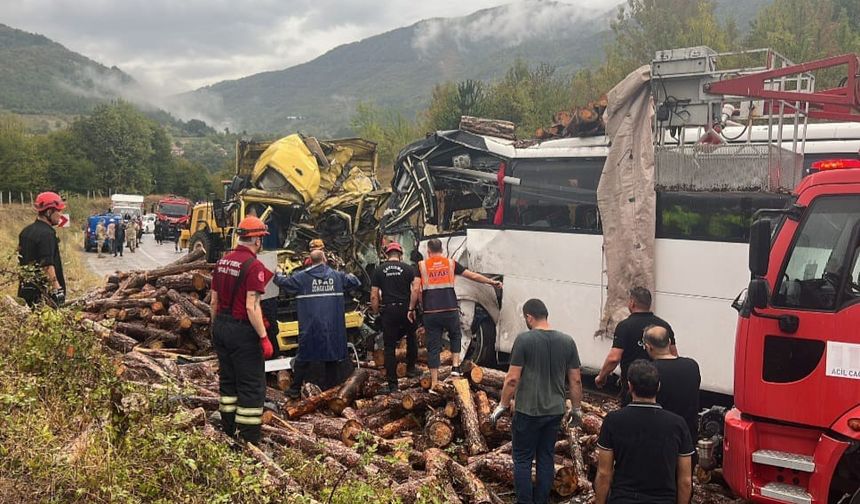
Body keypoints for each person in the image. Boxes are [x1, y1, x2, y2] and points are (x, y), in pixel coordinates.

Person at [489, 299, 583, 504]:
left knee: (522, 459)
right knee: (546, 457)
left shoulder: (524, 340)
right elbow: (575, 380)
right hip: (555, 410)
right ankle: (541, 501)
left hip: (528, 410)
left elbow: (512, 378)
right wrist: (577, 409)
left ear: (529, 317)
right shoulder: (567, 341)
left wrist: (502, 405)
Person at [210, 216, 274, 444]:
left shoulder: (223, 262)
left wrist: (214, 327)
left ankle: (228, 432)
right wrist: (264, 338)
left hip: (221, 326)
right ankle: (247, 440)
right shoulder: (254, 266)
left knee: (228, 382)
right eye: (261, 238)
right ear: (256, 239)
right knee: (250, 385)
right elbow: (251, 306)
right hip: (242, 331)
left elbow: (214, 302)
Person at [594, 359, 694, 504]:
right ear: (658, 386)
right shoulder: (677, 424)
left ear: (630, 386)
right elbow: (685, 480)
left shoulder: (613, 421)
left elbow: (604, 473)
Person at [274, 249, 361, 399]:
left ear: (310, 260)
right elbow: (355, 282)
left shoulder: (301, 278)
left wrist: (278, 272)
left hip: (310, 327)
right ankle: (333, 391)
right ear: (325, 259)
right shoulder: (337, 276)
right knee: (332, 357)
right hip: (333, 327)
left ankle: (295, 390)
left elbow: (282, 282)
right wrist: (349, 273)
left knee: (303, 357)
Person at [416, 238, 502, 388]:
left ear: (428, 252)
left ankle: (435, 382)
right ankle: (455, 368)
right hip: (449, 309)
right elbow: (472, 276)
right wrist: (491, 282)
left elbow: (416, 289)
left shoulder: (422, 266)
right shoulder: (450, 263)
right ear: (442, 250)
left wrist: (417, 306)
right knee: (456, 335)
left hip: (431, 312)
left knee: (433, 346)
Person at [595, 286, 676, 403]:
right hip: (657, 384)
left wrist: (601, 377)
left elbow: (614, 358)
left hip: (633, 386)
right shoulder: (663, 325)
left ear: (632, 303)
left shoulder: (625, 326)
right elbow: (673, 355)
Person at [643, 325, 701, 463]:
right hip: (688, 435)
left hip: (660, 438)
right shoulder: (691, 365)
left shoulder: (650, 371)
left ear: (648, 347)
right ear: (669, 342)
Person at [371, 242, 420, 394]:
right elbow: (416, 289)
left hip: (389, 309)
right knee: (411, 337)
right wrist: (412, 307)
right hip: (406, 308)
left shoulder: (379, 270)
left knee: (390, 347)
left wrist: (376, 311)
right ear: (400, 254)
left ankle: (392, 384)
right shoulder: (408, 269)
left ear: (386, 254)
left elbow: (374, 295)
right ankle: (411, 369)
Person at [17, 191, 67, 308]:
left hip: (26, 289)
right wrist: (57, 290)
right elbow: (47, 265)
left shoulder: (25, 231)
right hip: (43, 294)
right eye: (58, 211)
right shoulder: (47, 234)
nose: (60, 215)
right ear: (49, 212)